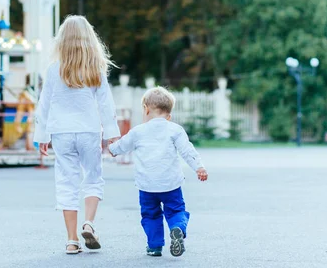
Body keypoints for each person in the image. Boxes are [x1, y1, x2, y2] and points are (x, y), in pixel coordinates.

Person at [34, 15, 121, 255]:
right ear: (89, 39)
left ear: (61, 41)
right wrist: (112, 134)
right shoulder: (96, 69)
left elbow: (44, 104)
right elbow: (105, 103)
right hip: (89, 130)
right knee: (93, 177)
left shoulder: (54, 70)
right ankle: (89, 224)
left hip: (61, 132)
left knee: (66, 181)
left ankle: (72, 240)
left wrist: (41, 134)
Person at [108, 86, 209, 258]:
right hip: (171, 184)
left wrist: (112, 147)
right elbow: (187, 151)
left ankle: (154, 247)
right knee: (176, 211)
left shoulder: (138, 131)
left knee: (150, 215)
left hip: (147, 186)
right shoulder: (175, 130)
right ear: (169, 115)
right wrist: (199, 167)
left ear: (146, 109)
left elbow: (120, 147)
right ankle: (177, 228)